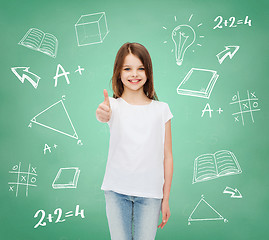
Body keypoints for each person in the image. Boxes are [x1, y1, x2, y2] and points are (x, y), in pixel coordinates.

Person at [96, 42, 173, 240]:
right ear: (118, 73)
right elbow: (103, 115)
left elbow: (168, 156)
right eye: (127, 69)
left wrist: (166, 199)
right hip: (116, 191)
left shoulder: (161, 109)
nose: (134, 74)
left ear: (148, 72)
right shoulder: (112, 105)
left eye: (140, 68)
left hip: (150, 194)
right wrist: (102, 114)